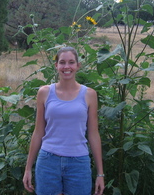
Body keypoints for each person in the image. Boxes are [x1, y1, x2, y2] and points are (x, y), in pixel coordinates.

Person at [23, 46, 105, 195]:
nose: (66, 67)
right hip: (48, 161)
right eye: (62, 62)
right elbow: (38, 131)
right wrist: (28, 168)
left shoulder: (89, 95)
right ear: (56, 66)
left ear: (78, 66)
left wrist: (100, 173)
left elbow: (93, 134)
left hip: (78, 163)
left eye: (71, 62)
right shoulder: (44, 93)